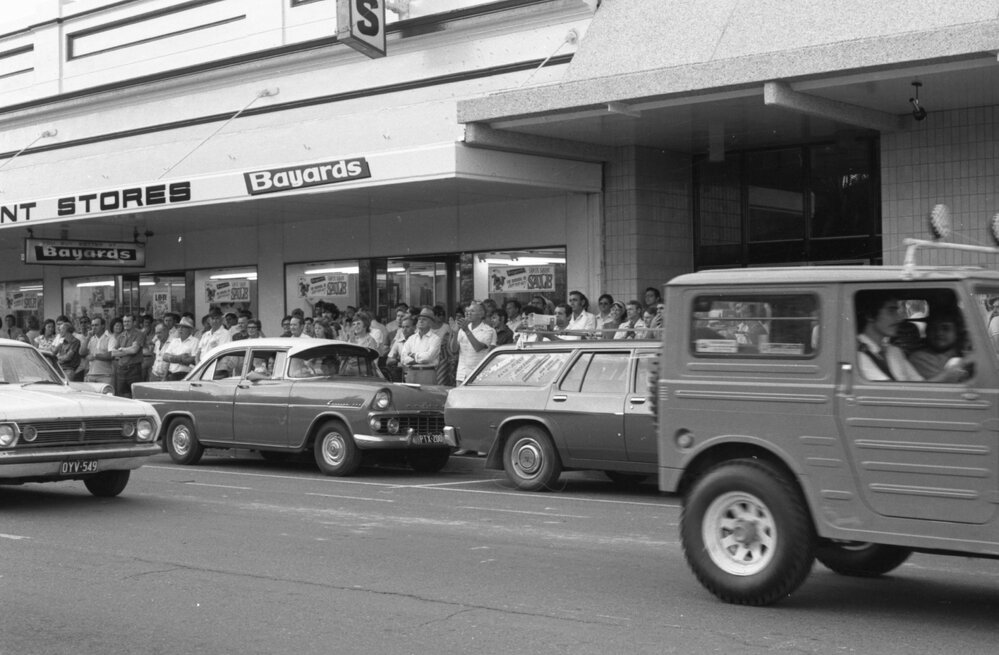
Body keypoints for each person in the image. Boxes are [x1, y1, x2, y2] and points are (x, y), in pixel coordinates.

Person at [856, 294, 965, 383]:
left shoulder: (894, 351)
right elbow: (890, 392)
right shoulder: (856, 353)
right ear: (870, 315)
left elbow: (920, 385)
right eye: (891, 311)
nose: (899, 318)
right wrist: (950, 374)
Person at [908, 310, 966, 379]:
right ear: (927, 332)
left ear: (957, 332)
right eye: (933, 328)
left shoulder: (964, 352)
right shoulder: (919, 358)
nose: (939, 333)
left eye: (945, 328)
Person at [451, 301, 496, 384]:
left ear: (481, 314)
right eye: (467, 312)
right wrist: (455, 333)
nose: (468, 313)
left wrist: (467, 331)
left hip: (477, 374)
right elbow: (454, 350)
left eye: (472, 311)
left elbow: (478, 348)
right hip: (461, 374)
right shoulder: (462, 329)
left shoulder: (488, 330)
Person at [399, 309, 441, 382]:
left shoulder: (436, 339)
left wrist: (413, 356)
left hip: (427, 373)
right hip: (411, 372)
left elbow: (428, 357)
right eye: (419, 319)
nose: (421, 321)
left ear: (430, 323)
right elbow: (403, 357)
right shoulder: (411, 338)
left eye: (424, 319)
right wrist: (417, 359)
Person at [111, 314, 146, 397]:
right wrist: (127, 350)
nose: (126, 323)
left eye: (128, 321)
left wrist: (121, 349)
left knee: (135, 395)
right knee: (122, 396)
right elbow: (113, 353)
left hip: (134, 370)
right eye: (124, 321)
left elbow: (134, 350)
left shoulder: (139, 334)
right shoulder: (120, 336)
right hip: (121, 370)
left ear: (134, 322)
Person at [80, 316, 114, 385]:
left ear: (103, 326)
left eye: (96, 325)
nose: (94, 327)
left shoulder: (110, 338)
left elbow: (111, 355)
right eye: (92, 325)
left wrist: (95, 356)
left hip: (105, 376)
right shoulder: (91, 339)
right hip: (91, 375)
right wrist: (88, 338)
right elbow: (81, 352)